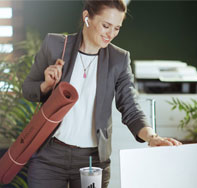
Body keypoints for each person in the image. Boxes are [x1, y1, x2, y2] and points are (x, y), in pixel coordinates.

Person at [22, 0, 182, 187]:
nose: (110, 34)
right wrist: (46, 86)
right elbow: (28, 89)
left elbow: (130, 107)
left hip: (92, 160)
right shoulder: (55, 45)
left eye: (117, 28)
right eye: (106, 26)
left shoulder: (119, 60)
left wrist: (153, 138)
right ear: (86, 17)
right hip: (49, 155)